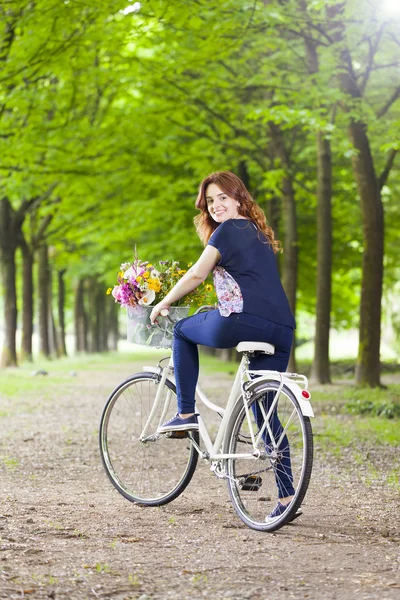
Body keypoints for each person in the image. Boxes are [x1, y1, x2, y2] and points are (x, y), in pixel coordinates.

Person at [150, 171, 296, 520]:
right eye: (210, 201)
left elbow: (197, 274)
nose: (216, 206)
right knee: (265, 414)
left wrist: (162, 303)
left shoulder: (228, 230)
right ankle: (288, 496)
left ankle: (185, 413)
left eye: (222, 198)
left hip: (243, 319)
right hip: (282, 329)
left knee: (184, 331)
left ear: (239, 198)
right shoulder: (259, 233)